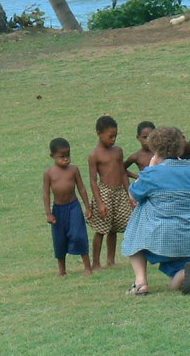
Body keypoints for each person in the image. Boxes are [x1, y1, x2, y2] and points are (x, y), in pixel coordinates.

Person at [122, 126, 190, 296]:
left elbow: (134, 194)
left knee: (137, 219)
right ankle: (185, 272)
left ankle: (141, 282)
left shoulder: (152, 174)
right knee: (175, 283)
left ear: (154, 149)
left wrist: (149, 168)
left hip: (162, 236)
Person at [43, 137, 93, 276]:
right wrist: (48, 213)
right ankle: (62, 270)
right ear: (52, 156)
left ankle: (87, 267)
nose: (65, 159)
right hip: (58, 210)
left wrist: (87, 207)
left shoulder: (74, 170)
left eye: (68, 155)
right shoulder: (49, 173)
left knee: (79, 235)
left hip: (74, 207)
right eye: (61, 156)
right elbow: (46, 194)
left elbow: (81, 188)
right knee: (59, 239)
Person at [88, 115, 131, 270]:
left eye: (115, 136)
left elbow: (123, 173)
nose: (113, 139)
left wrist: (129, 194)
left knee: (114, 228)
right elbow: (93, 180)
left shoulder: (118, 151)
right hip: (104, 193)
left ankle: (111, 260)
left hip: (119, 192)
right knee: (101, 229)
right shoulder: (94, 155)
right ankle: (96, 263)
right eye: (110, 136)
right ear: (99, 133)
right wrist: (99, 202)